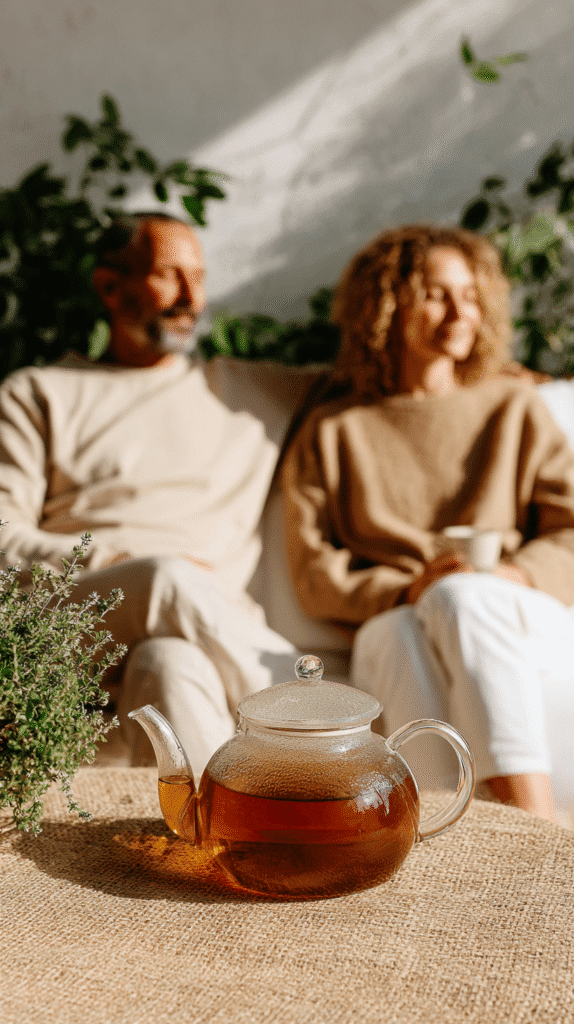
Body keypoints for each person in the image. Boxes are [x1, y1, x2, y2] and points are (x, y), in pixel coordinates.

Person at [281, 224, 574, 822]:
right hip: (399, 610)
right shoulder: (336, 429)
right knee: (391, 637)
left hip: (510, 607)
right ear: (387, 307)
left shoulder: (513, 405)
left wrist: (515, 575)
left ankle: (538, 834)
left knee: (463, 598)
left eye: (470, 296)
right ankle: (455, 841)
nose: (460, 312)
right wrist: (405, 589)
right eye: (437, 295)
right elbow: (314, 572)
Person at [0, 212, 297, 775]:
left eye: (200, 277)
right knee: (166, 578)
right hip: (77, 615)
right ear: (109, 287)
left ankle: (221, 837)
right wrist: (111, 560)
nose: (191, 297)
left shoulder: (248, 390)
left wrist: (503, 372)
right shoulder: (38, 392)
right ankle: (322, 732)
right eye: (169, 275)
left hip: (201, 626)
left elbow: (386, 377)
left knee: (167, 661)